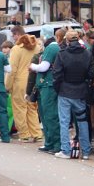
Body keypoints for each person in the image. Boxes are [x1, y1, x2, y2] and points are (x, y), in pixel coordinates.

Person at [52, 30, 94, 160]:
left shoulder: (62, 54)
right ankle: (85, 151)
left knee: (64, 121)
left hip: (65, 90)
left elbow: (57, 74)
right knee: (82, 121)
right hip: (80, 90)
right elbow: (91, 74)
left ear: (67, 40)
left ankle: (65, 150)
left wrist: (58, 88)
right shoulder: (87, 53)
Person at [30, 25, 62, 154]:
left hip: (48, 85)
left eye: (41, 34)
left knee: (51, 116)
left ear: (45, 35)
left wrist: (32, 66)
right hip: (45, 86)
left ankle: (56, 144)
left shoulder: (51, 48)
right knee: (45, 116)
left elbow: (44, 67)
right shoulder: (50, 47)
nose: (40, 37)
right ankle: (49, 142)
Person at [6, 33, 42, 142]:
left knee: (19, 109)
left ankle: (24, 134)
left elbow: (12, 70)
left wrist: (7, 85)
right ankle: (37, 133)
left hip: (19, 82)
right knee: (32, 108)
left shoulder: (16, 49)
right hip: (33, 81)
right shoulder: (37, 48)